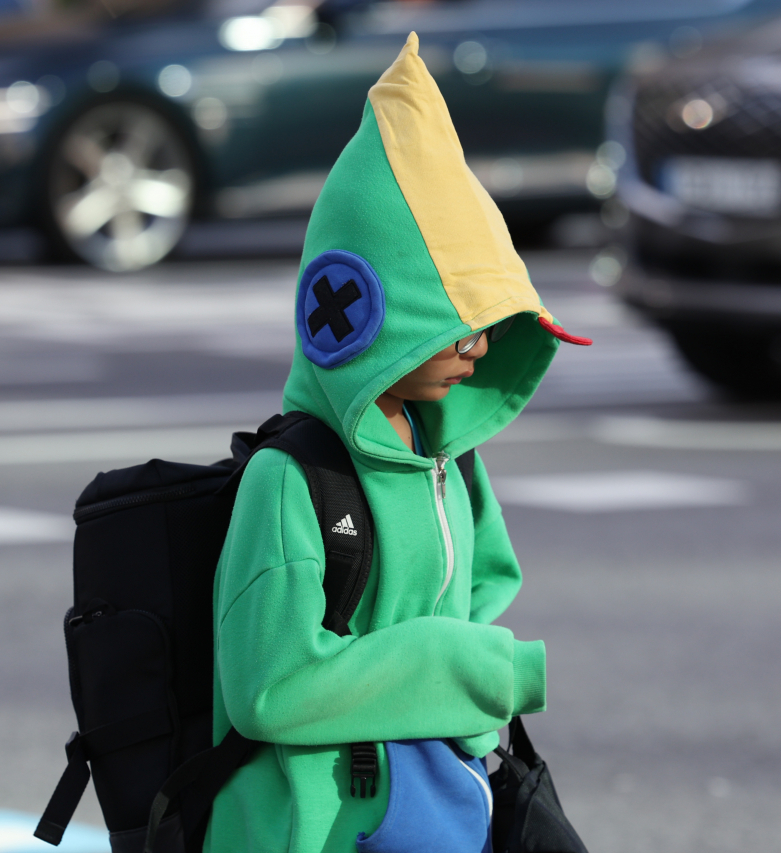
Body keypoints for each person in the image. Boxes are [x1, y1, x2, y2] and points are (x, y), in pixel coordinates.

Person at [206, 32, 591, 853]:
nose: (479, 349)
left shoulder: (446, 451)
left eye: (487, 325)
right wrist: (470, 674)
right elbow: (270, 688)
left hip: (436, 805)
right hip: (319, 827)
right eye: (454, 327)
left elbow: (482, 587)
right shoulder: (290, 479)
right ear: (366, 315)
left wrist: (471, 737)